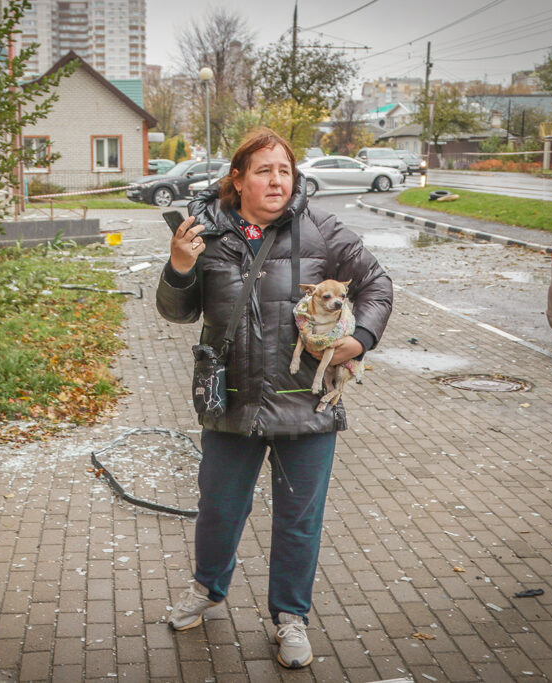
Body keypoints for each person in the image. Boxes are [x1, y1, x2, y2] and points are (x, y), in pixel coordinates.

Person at [156, 128, 393, 669]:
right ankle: (208, 591)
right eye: (263, 170)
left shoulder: (322, 231)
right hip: (231, 402)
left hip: (306, 405)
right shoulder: (206, 233)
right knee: (217, 510)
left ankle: (291, 618)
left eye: (284, 170)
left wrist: (358, 341)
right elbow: (176, 312)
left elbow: (378, 284)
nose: (276, 181)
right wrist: (180, 266)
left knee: (298, 520)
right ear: (237, 180)